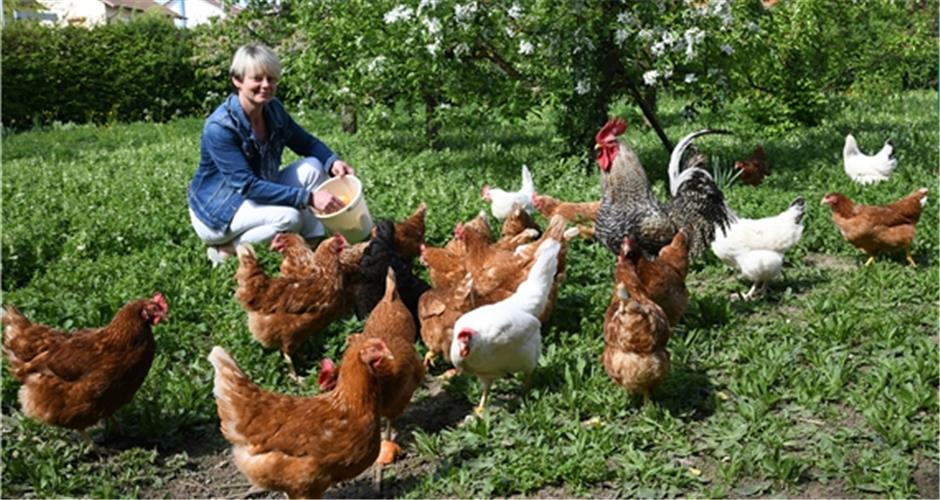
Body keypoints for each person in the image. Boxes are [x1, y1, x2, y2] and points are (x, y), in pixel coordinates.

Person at [187, 43, 354, 265]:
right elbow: (247, 186)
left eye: (271, 79)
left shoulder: (273, 110)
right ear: (237, 80)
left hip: (256, 193)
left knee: (315, 166)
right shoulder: (220, 127)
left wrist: (332, 162)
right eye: (257, 78)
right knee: (289, 218)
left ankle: (312, 245)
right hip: (219, 212)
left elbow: (306, 142)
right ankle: (227, 250)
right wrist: (309, 198)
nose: (266, 85)